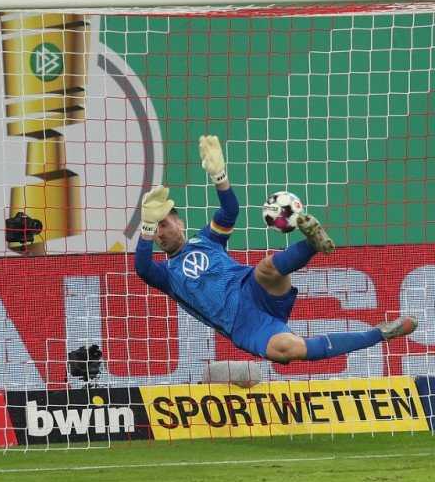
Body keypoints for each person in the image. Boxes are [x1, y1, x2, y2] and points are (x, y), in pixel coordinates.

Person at [135, 135, 418, 364]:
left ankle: (312, 242)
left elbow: (230, 210)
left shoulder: (207, 239)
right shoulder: (167, 274)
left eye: (163, 224)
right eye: (154, 229)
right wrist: (146, 225)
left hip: (251, 287)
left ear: (179, 221)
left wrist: (219, 176)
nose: (160, 234)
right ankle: (379, 333)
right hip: (243, 326)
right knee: (288, 350)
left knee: (267, 268)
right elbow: (142, 268)